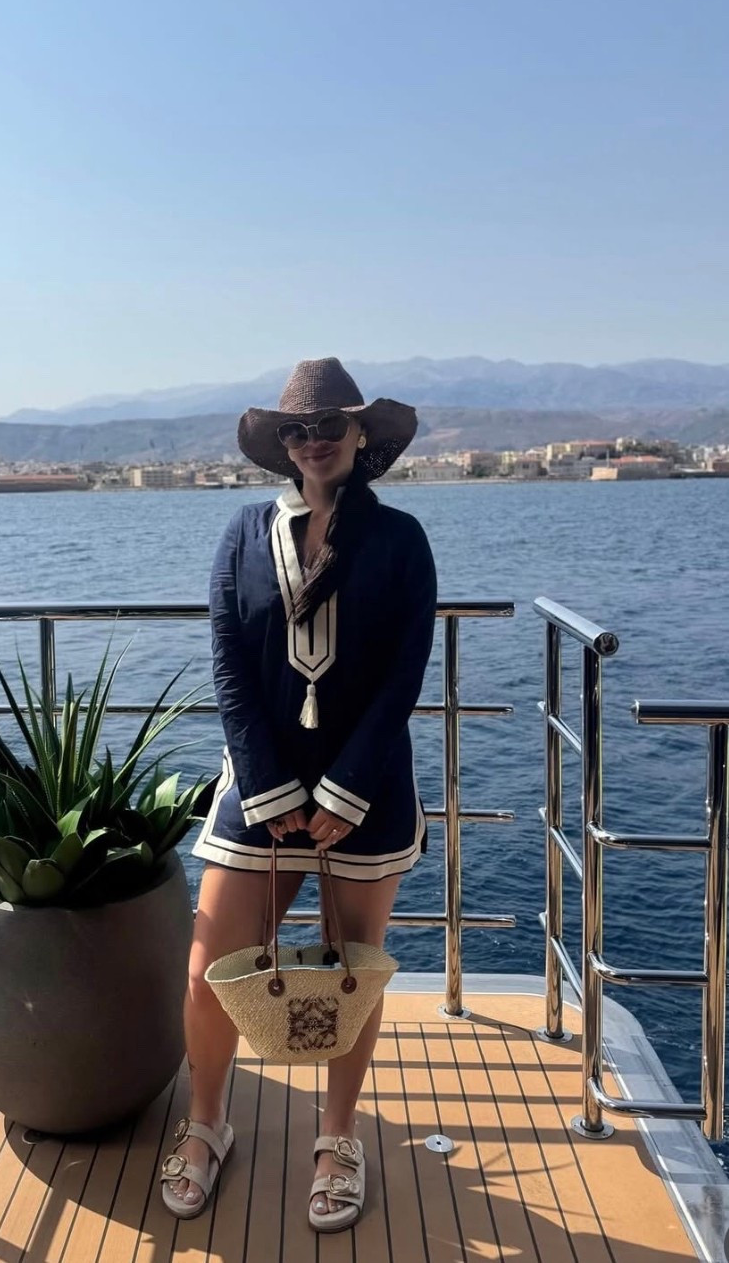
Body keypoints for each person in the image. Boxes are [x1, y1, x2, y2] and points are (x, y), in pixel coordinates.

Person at [160, 356, 438, 1233]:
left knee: (353, 974)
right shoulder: (241, 534)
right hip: (261, 786)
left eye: (329, 427)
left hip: (369, 788)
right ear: (281, 447)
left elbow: (401, 678)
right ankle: (206, 1125)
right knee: (210, 972)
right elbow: (230, 672)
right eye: (297, 431)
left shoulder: (400, 541)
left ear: (362, 437)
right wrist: (271, 786)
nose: (313, 441)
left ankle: (337, 1137)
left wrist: (347, 786)